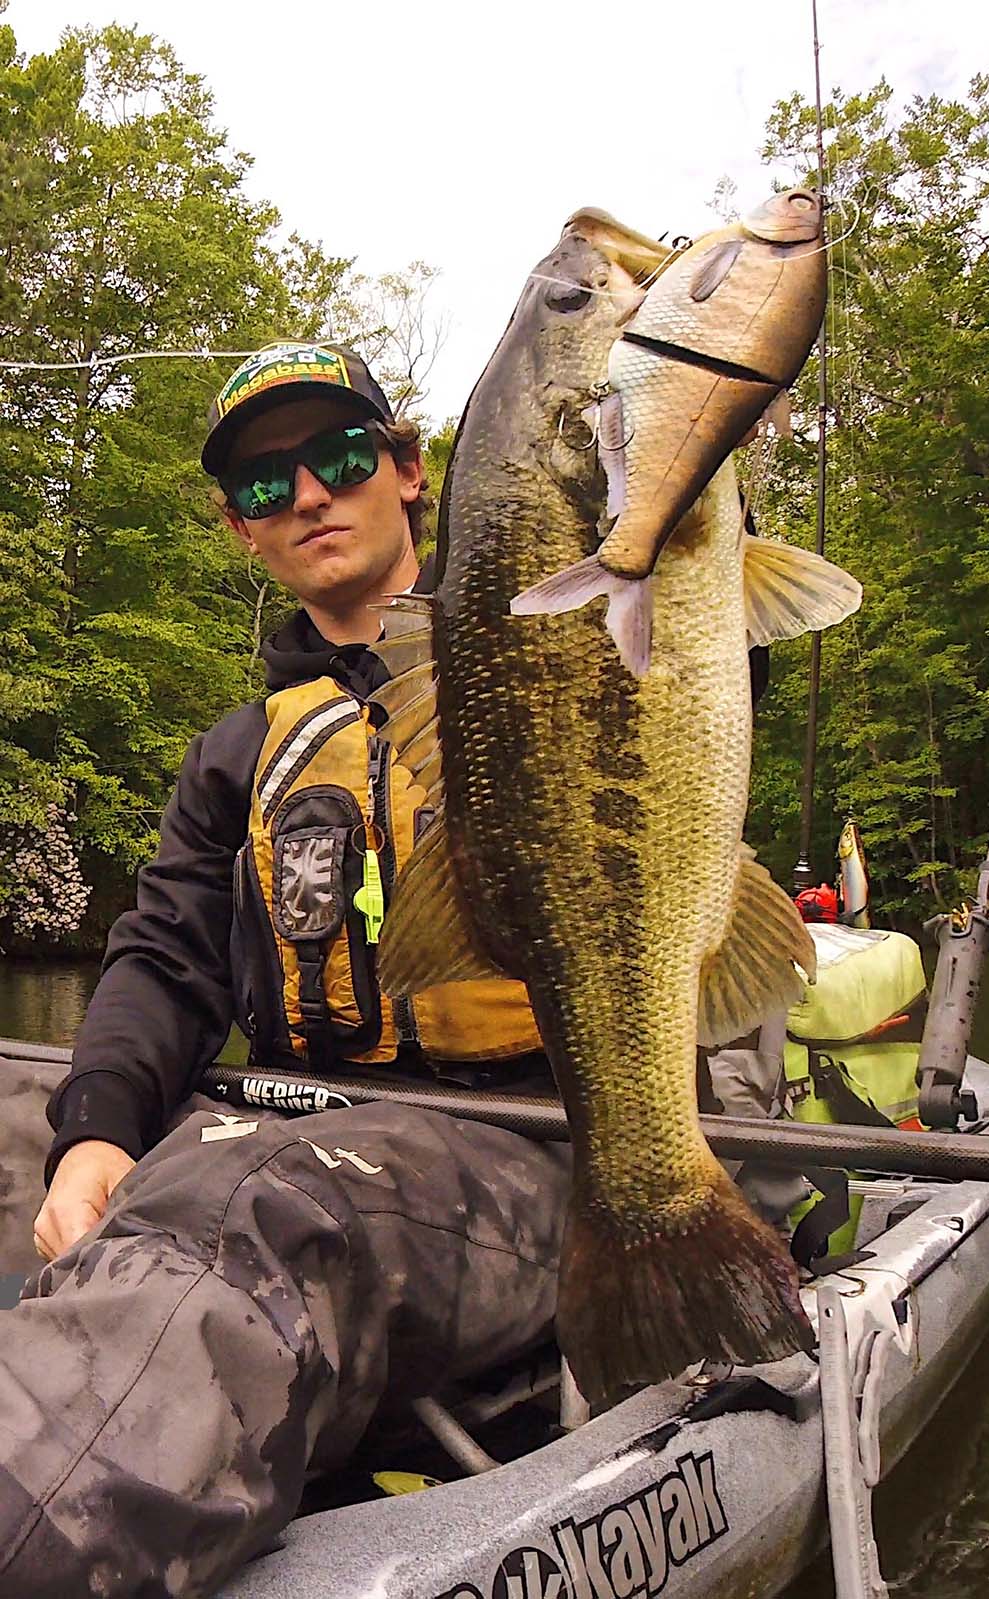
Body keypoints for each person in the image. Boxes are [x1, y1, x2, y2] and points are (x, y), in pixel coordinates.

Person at [0, 342, 571, 1598]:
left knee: (255, 1197)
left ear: (411, 473)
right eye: (266, 484)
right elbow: (163, 957)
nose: (308, 494)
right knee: (26, 1123)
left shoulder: (569, 658)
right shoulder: (238, 754)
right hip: (312, 1117)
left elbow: (691, 615)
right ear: (240, 527)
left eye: (341, 455)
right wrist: (93, 1132)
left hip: (535, 1151)